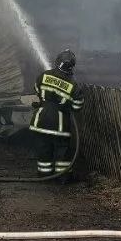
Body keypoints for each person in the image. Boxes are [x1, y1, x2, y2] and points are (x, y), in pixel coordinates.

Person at [29, 48, 84, 178]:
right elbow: (77, 106)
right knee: (62, 151)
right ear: (71, 67)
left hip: (41, 121)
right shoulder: (73, 85)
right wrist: (67, 105)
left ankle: (44, 174)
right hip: (59, 124)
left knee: (44, 149)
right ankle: (63, 177)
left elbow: (36, 88)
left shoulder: (44, 75)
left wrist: (46, 99)